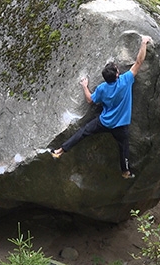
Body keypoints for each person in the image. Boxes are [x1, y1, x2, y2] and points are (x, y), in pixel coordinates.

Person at [52, 35, 152, 178]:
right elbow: (139, 61)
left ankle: (60, 150)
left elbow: (90, 100)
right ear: (117, 75)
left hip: (104, 121)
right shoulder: (126, 80)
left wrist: (85, 86)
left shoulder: (102, 88)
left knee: (83, 132)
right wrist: (143, 42)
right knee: (124, 148)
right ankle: (126, 172)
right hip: (121, 125)